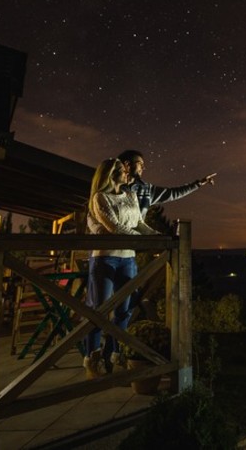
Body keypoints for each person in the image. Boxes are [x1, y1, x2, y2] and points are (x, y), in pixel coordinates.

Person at [83, 157, 159, 380]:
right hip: (105, 259)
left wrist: (156, 236)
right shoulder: (100, 198)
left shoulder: (131, 195)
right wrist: (143, 242)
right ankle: (93, 361)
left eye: (124, 168)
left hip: (128, 259)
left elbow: (138, 224)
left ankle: (117, 356)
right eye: (119, 169)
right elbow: (115, 227)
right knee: (99, 312)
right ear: (108, 174)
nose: (126, 172)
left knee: (123, 312)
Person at [116, 149, 217, 216]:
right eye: (140, 164)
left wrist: (198, 184)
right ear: (127, 164)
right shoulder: (110, 186)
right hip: (110, 244)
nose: (143, 168)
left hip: (134, 244)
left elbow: (173, 193)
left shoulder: (146, 189)